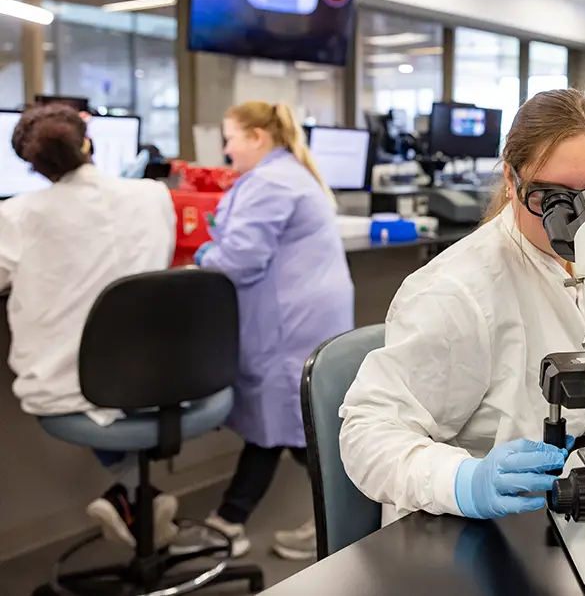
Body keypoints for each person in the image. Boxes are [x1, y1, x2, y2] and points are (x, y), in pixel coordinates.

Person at [339, 89, 585, 525]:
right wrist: (466, 481)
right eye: (552, 198)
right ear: (512, 182)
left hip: (577, 503)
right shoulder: (457, 290)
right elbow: (368, 434)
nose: (580, 218)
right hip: (478, 530)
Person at [173, 101, 355, 561]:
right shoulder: (283, 173)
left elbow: (240, 258)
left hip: (289, 323)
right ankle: (230, 520)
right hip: (301, 315)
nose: (226, 150)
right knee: (283, 425)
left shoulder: (272, 181)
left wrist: (197, 259)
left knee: (294, 425)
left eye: (230, 138)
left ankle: (346, 520)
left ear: (257, 137)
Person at [0, 103, 177, 548]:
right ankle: (138, 499)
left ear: (33, 166)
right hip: (165, 375)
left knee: (85, 384)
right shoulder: (153, 196)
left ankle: (134, 497)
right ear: (88, 143)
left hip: (76, 384)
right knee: (113, 380)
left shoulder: (18, 215)